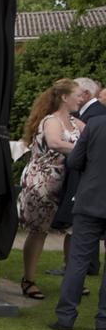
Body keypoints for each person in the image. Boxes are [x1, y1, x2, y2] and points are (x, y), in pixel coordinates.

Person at [18, 79, 80, 300]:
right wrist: (83, 149)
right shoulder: (51, 121)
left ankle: (73, 279)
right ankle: (29, 279)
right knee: (39, 231)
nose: (81, 98)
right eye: (78, 94)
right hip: (43, 182)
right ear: (65, 97)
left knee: (73, 230)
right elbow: (55, 143)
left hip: (67, 184)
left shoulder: (75, 122)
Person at [51, 117, 106, 330]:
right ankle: (103, 322)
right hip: (91, 199)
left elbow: (74, 161)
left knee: (78, 259)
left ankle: (65, 317)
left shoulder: (95, 124)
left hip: (90, 199)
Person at [50, 77, 106, 277]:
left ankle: (68, 306)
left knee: (79, 250)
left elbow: (77, 158)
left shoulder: (95, 117)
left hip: (88, 189)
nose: (79, 99)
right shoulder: (88, 116)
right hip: (86, 188)